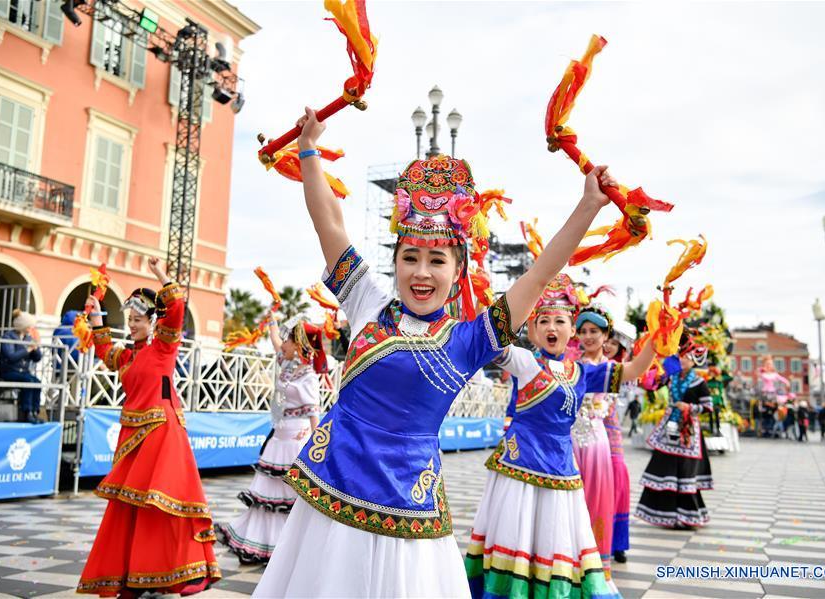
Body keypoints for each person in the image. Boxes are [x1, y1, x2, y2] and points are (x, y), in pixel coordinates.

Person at [253, 107, 615, 598]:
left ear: (457, 269)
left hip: (410, 509)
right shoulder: (367, 301)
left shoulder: (468, 340)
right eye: (410, 258)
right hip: (330, 497)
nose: (421, 272)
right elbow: (329, 227)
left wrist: (588, 207)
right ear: (396, 261)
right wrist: (310, 152)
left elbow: (537, 275)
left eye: (436, 260)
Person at [467, 283, 656, 598]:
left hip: (562, 468)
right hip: (520, 467)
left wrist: (659, 338)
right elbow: (490, 340)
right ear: (533, 328)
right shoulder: (525, 362)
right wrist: (479, 294)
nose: (551, 328)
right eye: (544, 322)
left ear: (572, 331)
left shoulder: (582, 373)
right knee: (517, 536)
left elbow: (635, 369)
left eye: (559, 322)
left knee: (556, 539)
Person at [78, 258, 219, 596]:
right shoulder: (128, 356)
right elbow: (102, 348)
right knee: (131, 510)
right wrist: (97, 313)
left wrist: (160, 275)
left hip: (162, 434)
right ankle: (135, 576)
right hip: (132, 440)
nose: (131, 326)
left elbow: (178, 307)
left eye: (138, 320)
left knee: (162, 506)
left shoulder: (163, 347)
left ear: (153, 322)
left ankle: (178, 573)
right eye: (129, 320)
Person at [215, 315, 324, 564]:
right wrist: (272, 321)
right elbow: (275, 342)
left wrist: (317, 448)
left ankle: (286, 552)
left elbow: (313, 414)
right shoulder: (286, 366)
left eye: (288, 340)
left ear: (298, 344)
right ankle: (262, 546)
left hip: (295, 441)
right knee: (267, 498)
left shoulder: (309, 376)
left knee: (288, 501)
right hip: (278, 439)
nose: (282, 344)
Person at [570, 306, 630, 569]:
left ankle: (597, 557)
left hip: (600, 438)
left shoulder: (614, 370)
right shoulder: (570, 367)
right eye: (583, 331)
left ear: (606, 335)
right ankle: (568, 553)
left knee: (599, 497)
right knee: (571, 499)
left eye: (594, 331)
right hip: (571, 439)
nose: (588, 336)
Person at [635, 331, 713, 529]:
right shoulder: (672, 378)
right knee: (663, 468)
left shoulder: (699, 383)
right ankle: (665, 515)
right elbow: (653, 383)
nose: (683, 360)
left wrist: (689, 408)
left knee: (685, 473)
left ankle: (686, 517)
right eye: (681, 356)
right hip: (668, 427)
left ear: (694, 361)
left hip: (687, 433)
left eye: (687, 357)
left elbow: (708, 407)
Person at [0, 310, 43, 423]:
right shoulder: (8, 336)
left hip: (23, 371)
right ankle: (26, 411)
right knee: (28, 381)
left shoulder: (28, 338)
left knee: (37, 382)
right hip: (9, 371)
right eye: (29, 326)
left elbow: (37, 358)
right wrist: (28, 349)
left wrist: (36, 348)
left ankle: (35, 411)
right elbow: (11, 357)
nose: (30, 329)